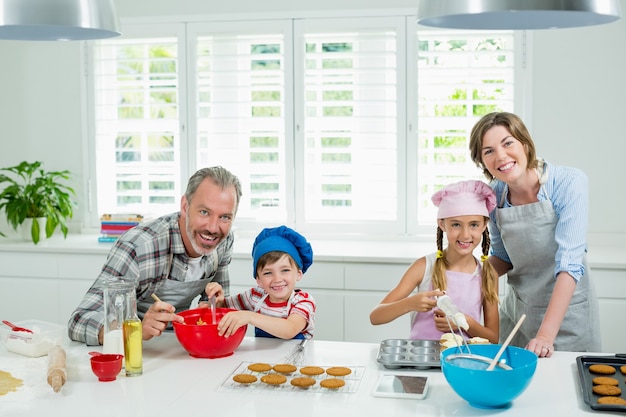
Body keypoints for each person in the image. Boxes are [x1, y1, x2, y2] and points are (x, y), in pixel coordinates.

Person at [469, 111, 601, 357]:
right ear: (482, 162)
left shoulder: (568, 183)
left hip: (567, 318)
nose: (501, 156)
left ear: (525, 144)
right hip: (519, 313)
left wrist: (545, 335)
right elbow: (503, 256)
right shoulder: (494, 196)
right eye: (488, 151)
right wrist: (463, 277)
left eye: (508, 143)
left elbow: (569, 264)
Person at [68, 166, 242, 346]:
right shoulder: (137, 247)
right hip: (133, 350)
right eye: (204, 212)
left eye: (225, 217)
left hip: (178, 346)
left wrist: (214, 306)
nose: (213, 228)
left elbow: (216, 306)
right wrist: (135, 329)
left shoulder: (224, 241)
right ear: (185, 206)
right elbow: (78, 321)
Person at [370, 180, 500, 344]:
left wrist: (465, 323)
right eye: (456, 225)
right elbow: (375, 317)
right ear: (442, 224)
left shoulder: (488, 275)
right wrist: (410, 303)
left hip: (463, 363)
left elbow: (493, 339)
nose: (465, 235)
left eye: (474, 225)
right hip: (420, 360)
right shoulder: (423, 267)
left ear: (484, 225)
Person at [206, 225, 315, 340]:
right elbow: (223, 307)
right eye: (268, 273)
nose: (277, 279)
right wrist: (216, 299)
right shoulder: (255, 296)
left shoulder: (303, 301)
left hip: (296, 357)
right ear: (258, 279)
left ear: (298, 274)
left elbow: (290, 329)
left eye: (285, 270)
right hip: (263, 357)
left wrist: (249, 316)